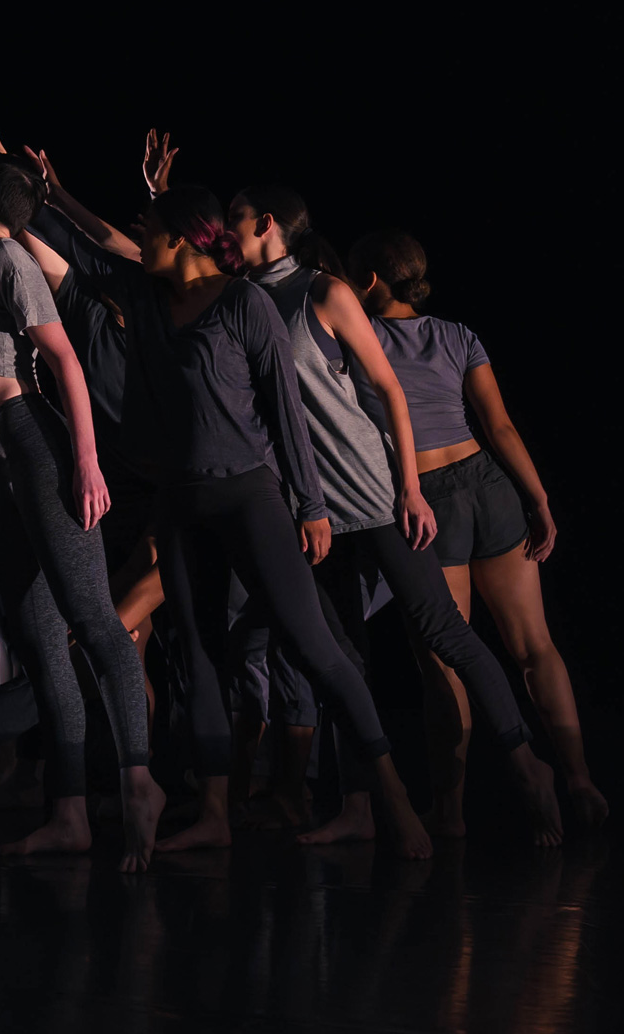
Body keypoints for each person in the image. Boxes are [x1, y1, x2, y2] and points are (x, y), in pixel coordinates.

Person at [20, 158, 432, 859]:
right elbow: (83, 248)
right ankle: (213, 811)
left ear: (181, 237)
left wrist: (310, 504)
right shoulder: (144, 296)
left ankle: (392, 798)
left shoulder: (245, 305)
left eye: (150, 228)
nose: (140, 236)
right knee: (200, 657)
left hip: (249, 497)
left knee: (316, 647)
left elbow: (285, 412)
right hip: (181, 504)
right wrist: (38, 190)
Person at [227, 184, 563, 846]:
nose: (225, 233)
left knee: (446, 631)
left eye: (235, 221)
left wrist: (408, 488)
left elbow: (388, 387)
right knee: (341, 658)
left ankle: (529, 766)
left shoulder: (324, 291)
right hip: (309, 507)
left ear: (266, 224)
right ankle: (360, 806)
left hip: (374, 493)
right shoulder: (243, 300)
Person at [0, 151, 165, 873]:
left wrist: (87, 463)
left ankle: (138, 781)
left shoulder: (9, 261)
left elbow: (63, 359)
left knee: (94, 620)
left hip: (36, 446)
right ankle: (68, 814)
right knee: (34, 637)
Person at [348, 230, 609, 832]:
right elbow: (501, 426)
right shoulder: (458, 334)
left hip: (426, 502)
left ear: (366, 283)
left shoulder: (357, 339)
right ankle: (579, 778)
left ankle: (450, 811)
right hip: (489, 486)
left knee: (446, 659)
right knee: (535, 647)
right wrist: (539, 499)